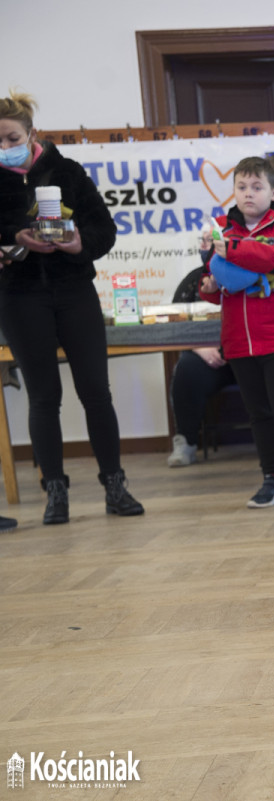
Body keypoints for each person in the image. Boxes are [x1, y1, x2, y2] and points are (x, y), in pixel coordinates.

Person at [0, 90, 143, 525]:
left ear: (31, 134)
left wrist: (79, 243)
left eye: (11, 138)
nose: (5, 148)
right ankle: (55, 492)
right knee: (45, 397)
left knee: (96, 392)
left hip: (74, 290)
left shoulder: (68, 172)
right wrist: (13, 240)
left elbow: (105, 228)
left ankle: (115, 486)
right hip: (20, 297)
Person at [198, 156, 274, 509]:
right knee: (259, 413)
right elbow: (214, 279)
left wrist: (233, 249)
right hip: (239, 339)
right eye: (241, 187)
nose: (248, 194)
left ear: (273, 192)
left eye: (257, 187)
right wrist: (207, 283)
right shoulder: (221, 229)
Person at [166, 266, 238, 467]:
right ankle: (186, 443)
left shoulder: (251, 273)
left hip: (245, 350)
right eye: (205, 241)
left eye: (213, 240)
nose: (208, 245)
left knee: (271, 369)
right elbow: (176, 321)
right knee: (187, 370)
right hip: (207, 354)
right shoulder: (193, 280)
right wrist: (197, 347)